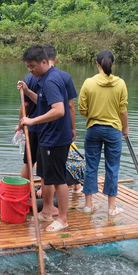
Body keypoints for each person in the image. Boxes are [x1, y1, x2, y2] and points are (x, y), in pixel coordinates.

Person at [19, 45, 72, 232]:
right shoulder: (43, 79)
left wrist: (32, 121)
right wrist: (27, 90)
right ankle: (47, 211)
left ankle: (63, 219)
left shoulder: (51, 81)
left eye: (32, 66)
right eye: (28, 67)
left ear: (44, 61)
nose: (30, 70)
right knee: (46, 176)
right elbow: (41, 102)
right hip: (46, 136)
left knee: (58, 179)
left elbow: (59, 110)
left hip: (56, 138)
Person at [78, 50, 129, 216]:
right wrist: (125, 127)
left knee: (91, 166)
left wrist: (93, 115)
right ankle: (112, 208)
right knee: (112, 167)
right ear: (112, 64)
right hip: (113, 129)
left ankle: (88, 205)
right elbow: (123, 109)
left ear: (97, 64)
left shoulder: (88, 83)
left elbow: (81, 109)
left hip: (93, 128)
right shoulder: (120, 83)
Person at [42, 44, 81, 193]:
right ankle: (76, 184)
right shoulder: (65, 76)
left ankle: (48, 202)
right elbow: (71, 106)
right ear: (56, 58)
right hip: (62, 129)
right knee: (62, 161)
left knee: (46, 168)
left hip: (43, 129)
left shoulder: (37, 77)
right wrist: (73, 128)